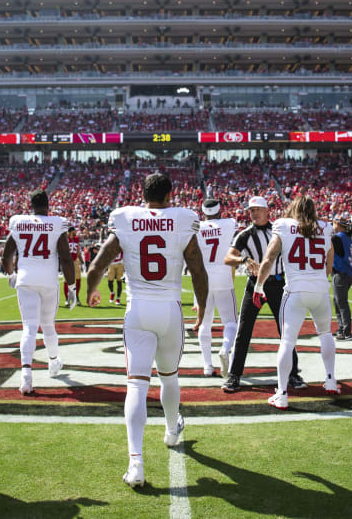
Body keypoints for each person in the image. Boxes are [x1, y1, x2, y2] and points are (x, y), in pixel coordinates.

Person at [86, 172, 208, 488]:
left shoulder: (126, 218)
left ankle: (136, 464)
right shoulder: (182, 219)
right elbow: (197, 269)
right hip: (169, 309)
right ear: (170, 195)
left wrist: (91, 290)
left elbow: (98, 264)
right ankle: (170, 431)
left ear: (143, 194)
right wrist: (204, 309)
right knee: (169, 376)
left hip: (138, 309)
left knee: (137, 385)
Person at [253, 195, 339, 410]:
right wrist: (318, 276)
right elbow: (330, 262)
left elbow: (269, 257)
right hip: (320, 290)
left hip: (296, 290)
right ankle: (330, 380)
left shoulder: (283, 225)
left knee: (287, 342)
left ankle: (281, 393)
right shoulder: (326, 226)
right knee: (325, 333)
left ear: (293, 209)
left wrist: (258, 286)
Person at [222, 196, 307, 393]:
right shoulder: (245, 234)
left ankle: (293, 373)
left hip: (277, 284)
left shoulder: (279, 230)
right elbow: (228, 257)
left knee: (286, 330)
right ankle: (234, 375)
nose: (254, 213)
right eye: (251, 210)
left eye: (258, 209)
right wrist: (244, 260)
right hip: (254, 285)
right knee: (243, 331)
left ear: (267, 210)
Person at [2, 189, 76, 396]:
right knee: (48, 325)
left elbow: (7, 254)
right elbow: (65, 258)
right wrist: (71, 287)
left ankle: (26, 376)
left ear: (31, 205)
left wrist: (11, 274)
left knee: (29, 328)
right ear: (48, 205)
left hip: (25, 280)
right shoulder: (56, 223)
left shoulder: (18, 222)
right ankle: (53, 362)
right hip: (48, 281)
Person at [194, 198, 238, 377]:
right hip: (223, 275)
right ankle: (225, 348)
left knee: (205, 322)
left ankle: (207, 366)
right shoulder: (229, 223)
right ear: (220, 210)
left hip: (203, 277)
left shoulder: (197, 227)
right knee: (231, 322)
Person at [331, 217, 352, 341]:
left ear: (338, 224)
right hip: (347, 272)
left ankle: (346, 331)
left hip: (341, 272)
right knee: (338, 302)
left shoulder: (338, 237)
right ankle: (342, 328)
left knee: (341, 303)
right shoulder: (348, 238)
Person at [63, 226, 83, 306]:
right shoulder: (65, 238)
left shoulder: (76, 239)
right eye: (75, 231)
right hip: (67, 262)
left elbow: (77, 250)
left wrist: (81, 259)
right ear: (71, 231)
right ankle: (67, 299)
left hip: (75, 261)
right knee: (66, 280)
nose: (76, 232)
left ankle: (77, 296)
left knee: (78, 279)